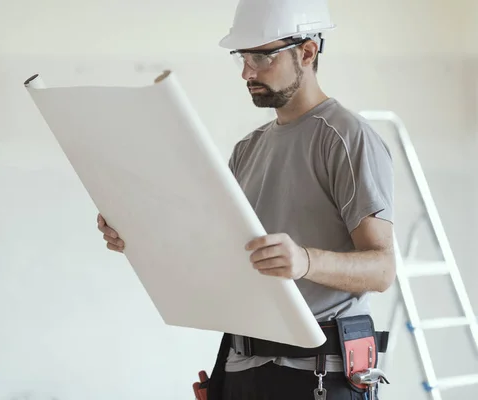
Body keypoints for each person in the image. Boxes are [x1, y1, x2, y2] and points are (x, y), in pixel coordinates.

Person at [97, 0, 396, 398]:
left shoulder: (344, 138)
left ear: (307, 52)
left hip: (318, 377)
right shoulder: (247, 149)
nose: (246, 71)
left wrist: (304, 261)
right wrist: (137, 235)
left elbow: (381, 269)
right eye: (242, 56)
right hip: (243, 368)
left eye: (261, 56)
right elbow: (216, 253)